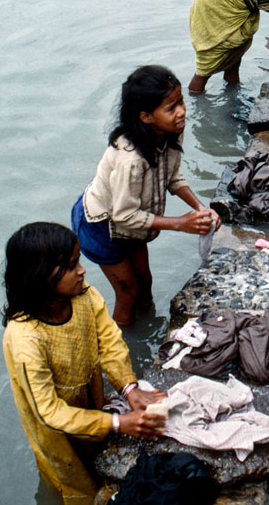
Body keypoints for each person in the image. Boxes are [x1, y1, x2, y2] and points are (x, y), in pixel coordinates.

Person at [2, 221, 167, 505]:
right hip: (55, 428)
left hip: (89, 398)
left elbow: (109, 339)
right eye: (71, 266)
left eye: (78, 262)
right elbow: (49, 412)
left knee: (97, 451)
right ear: (41, 278)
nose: (82, 271)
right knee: (75, 484)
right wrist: (118, 423)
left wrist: (129, 388)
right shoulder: (26, 338)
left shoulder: (82, 295)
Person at [71, 65, 218, 325]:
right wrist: (180, 224)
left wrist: (199, 207)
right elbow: (124, 214)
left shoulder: (172, 130)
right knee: (128, 292)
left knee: (145, 281)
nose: (181, 111)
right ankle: (124, 349)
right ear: (146, 117)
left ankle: (149, 325)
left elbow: (171, 175)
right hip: (102, 224)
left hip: (132, 216)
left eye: (181, 102)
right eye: (171, 108)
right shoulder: (131, 159)